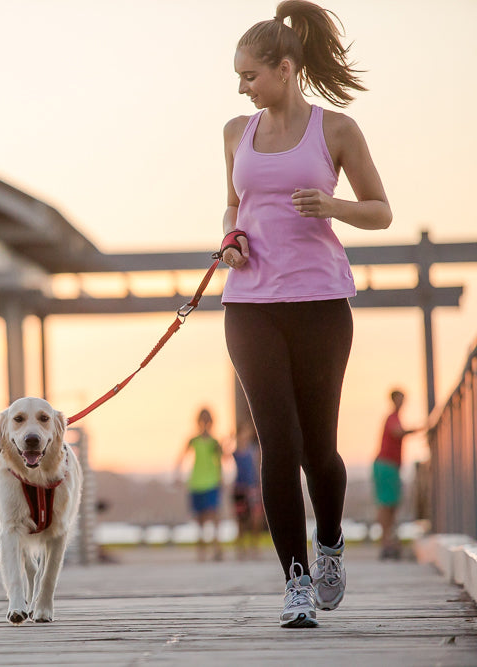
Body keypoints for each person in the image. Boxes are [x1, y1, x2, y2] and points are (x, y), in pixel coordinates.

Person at [219, 1, 392, 628]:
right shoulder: (236, 133)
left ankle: (331, 544)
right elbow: (231, 210)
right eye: (238, 76)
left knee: (319, 447)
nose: (241, 86)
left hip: (321, 304)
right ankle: (294, 580)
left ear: (285, 69)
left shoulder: (336, 131)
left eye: (249, 74)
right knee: (277, 443)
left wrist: (331, 205)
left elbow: (381, 210)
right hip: (250, 306)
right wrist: (231, 241)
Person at [373, 389, 420, 560]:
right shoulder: (392, 417)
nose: (402, 402)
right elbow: (397, 432)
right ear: (394, 400)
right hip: (385, 465)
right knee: (386, 505)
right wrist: (416, 430)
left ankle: (389, 541)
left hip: (391, 466)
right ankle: (386, 542)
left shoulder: (396, 417)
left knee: (391, 505)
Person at [174, 408, 224, 562]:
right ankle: (201, 552)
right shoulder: (193, 440)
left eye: (207, 420)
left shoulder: (215, 442)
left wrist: (221, 479)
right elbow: (181, 457)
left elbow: (221, 461)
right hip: (196, 482)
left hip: (212, 482)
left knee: (214, 515)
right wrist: (177, 475)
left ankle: (217, 549)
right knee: (200, 519)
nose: (205, 423)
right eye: (202, 420)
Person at [231, 424, 262, 560]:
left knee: (256, 518)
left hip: (253, 487)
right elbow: (223, 454)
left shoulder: (255, 450)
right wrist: (230, 437)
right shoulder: (235, 452)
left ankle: (254, 546)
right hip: (240, 488)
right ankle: (241, 548)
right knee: (241, 520)